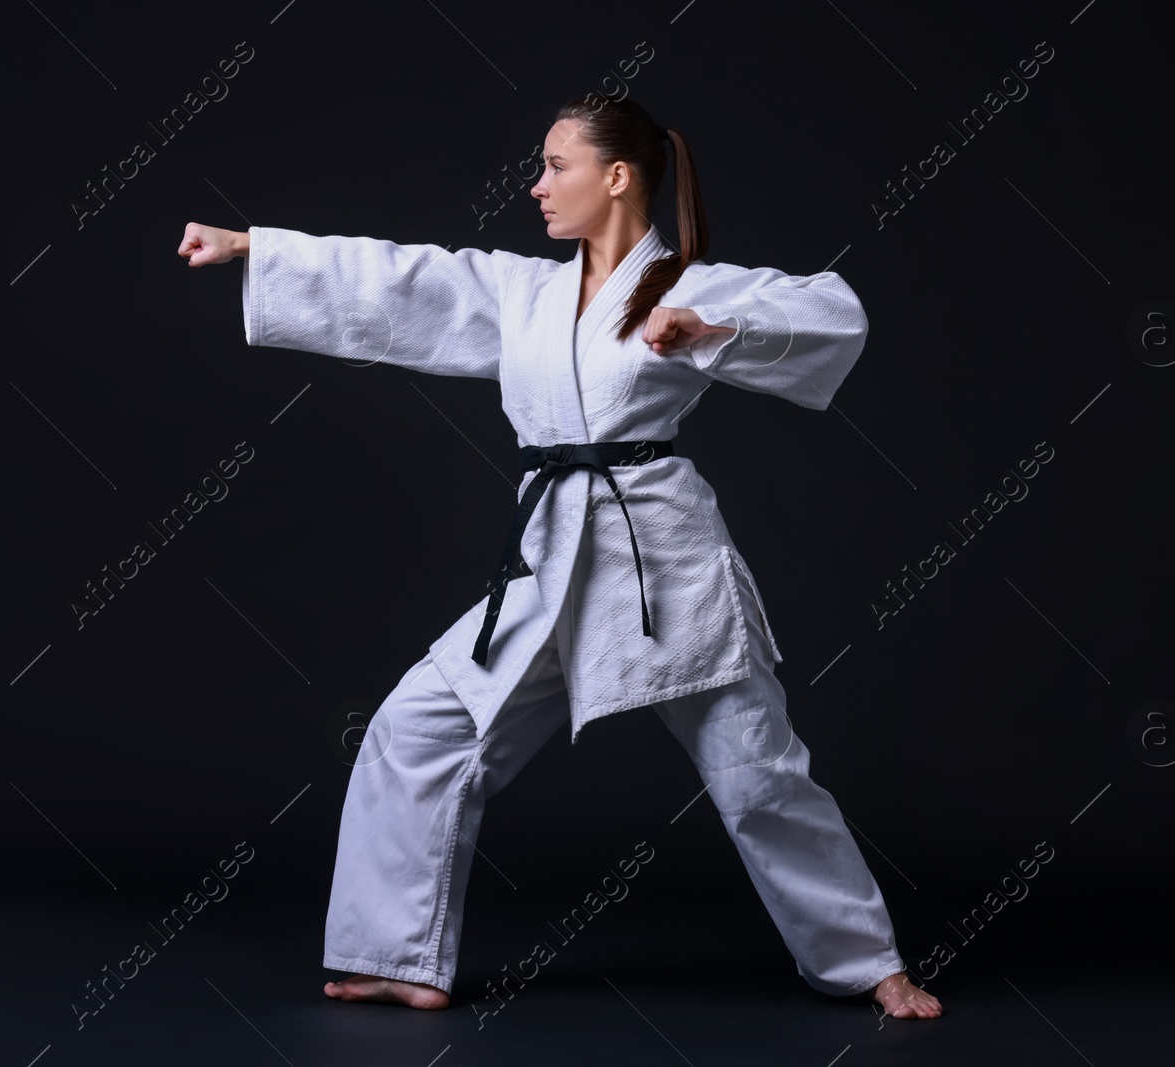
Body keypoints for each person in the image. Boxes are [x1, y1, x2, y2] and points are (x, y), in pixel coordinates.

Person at [177, 95, 942, 1022]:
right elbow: (404, 279)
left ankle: (869, 964)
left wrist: (709, 329)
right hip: (551, 564)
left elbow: (828, 313)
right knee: (417, 730)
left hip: (666, 569)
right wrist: (258, 247)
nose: (536, 186)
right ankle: (397, 954)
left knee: (758, 773)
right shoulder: (526, 293)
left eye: (555, 166)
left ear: (617, 177)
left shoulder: (687, 282)